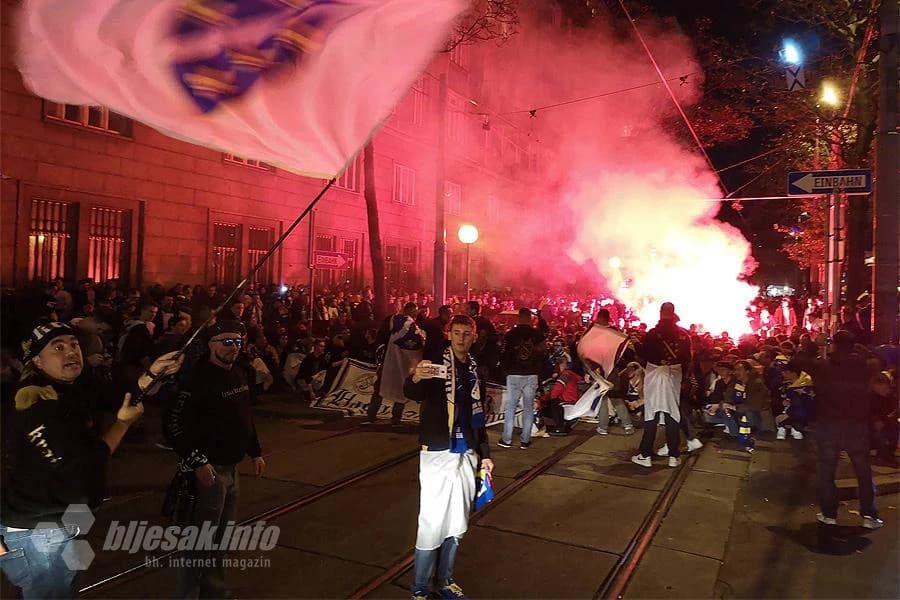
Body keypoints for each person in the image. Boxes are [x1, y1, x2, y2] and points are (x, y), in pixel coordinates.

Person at [1, 321, 181, 599]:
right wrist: (121, 425)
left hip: (65, 521)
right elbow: (78, 468)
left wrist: (153, 373)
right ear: (37, 360)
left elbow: (119, 392)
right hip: (40, 530)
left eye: (73, 344)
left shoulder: (74, 384)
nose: (71, 352)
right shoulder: (34, 399)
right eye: (57, 347)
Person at [163, 320, 266, 598]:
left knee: (221, 540)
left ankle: (214, 592)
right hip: (207, 473)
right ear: (210, 344)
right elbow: (173, 424)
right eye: (226, 342)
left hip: (232, 470)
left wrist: (255, 451)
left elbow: (245, 416)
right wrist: (197, 461)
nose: (233, 348)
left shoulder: (240, 373)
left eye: (237, 342)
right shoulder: (195, 379)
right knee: (198, 542)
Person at [403, 315, 493, 600]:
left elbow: (477, 417)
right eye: (457, 332)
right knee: (431, 519)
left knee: (458, 519)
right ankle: (419, 587)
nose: (462, 338)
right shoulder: (437, 364)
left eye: (467, 333)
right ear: (448, 333)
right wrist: (416, 376)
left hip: (466, 451)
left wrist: (485, 455)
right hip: (438, 451)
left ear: (474, 336)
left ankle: (444, 582)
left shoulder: (477, 370)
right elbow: (413, 391)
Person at [812, 330, 882, 529]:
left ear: (833, 344)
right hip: (856, 426)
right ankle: (869, 515)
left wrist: (819, 346)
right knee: (863, 471)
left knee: (827, 472)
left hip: (829, 426)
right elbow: (878, 358)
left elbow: (802, 361)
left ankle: (829, 514)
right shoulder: (865, 366)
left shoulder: (823, 365)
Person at [632, 302, 691, 468]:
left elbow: (644, 355)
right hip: (674, 375)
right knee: (673, 414)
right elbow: (687, 359)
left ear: (660, 313)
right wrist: (682, 377)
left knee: (652, 414)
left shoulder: (652, 334)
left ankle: (645, 454)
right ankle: (673, 455)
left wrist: (636, 344)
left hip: (655, 374)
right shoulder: (684, 335)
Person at [498, 307, 548, 449]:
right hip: (531, 374)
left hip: (514, 374)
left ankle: (506, 439)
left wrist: (505, 370)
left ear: (519, 318)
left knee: (511, 407)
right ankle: (525, 440)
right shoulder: (536, 335)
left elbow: (504, 354)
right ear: (530, 318)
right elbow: (544, 352)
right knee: (528, 407)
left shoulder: (510, 334)